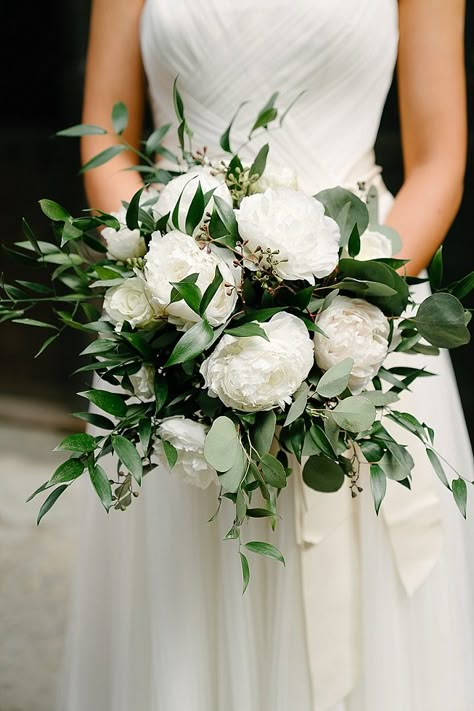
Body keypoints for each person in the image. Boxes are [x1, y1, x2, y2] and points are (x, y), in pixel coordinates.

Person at [58, 1, 474, 710]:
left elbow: (439, 159)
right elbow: (109, 137)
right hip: (176, 320)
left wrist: (344, 300)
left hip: (364, 319)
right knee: (183, 611)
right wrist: (179, 283)